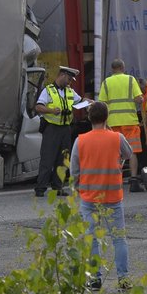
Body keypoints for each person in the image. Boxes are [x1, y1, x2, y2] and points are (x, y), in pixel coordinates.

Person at [71, 101, 133, 291]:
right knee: (119, 239)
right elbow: (128, 154)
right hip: (113, 196)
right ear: (107, 118)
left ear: (89, 118)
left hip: (89, 197)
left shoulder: (80, 140)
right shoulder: (117, 137)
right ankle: (123, 279)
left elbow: (75, 170)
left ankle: (95, 279)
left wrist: (77, 187)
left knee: (92, 239)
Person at [33, 66, 82, 197]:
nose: (70, 82)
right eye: (69, 78)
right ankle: (40, 188)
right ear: (62, 75)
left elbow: (80, 101)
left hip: (66, 129)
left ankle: (58, 187)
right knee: (47, 159)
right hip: (52, 129)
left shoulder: (69, 91)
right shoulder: (48, 91)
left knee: (63, 159)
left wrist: (88, 102)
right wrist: (51, 110)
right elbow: (38, 107)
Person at [97, 58, 145, 191]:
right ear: (123, 68)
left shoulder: (106, 82)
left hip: (113, 123)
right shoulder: (130, 80)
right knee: (133, 151)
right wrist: (141, 99)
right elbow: (138, 98)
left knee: (115, 153)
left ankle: (115, 180)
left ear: (112, 70)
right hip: (130, 121)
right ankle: (134, 181)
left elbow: (102, 103)